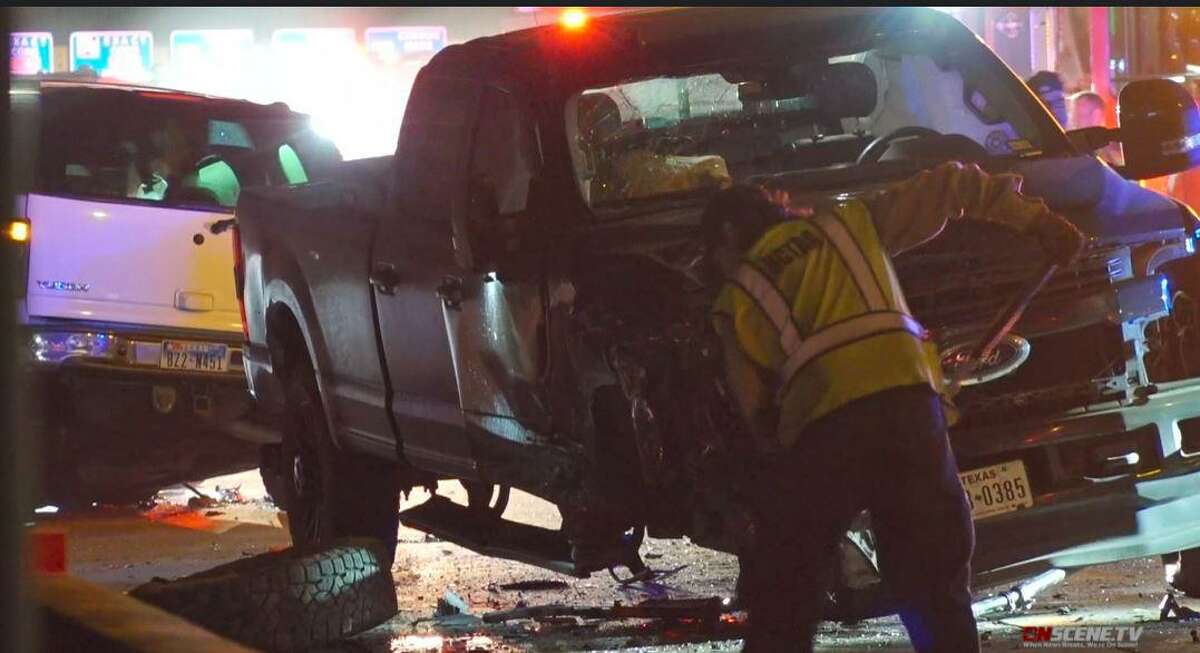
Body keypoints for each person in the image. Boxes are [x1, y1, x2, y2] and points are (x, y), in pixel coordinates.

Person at [703, 161, 1086, 652]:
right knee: (932, 579)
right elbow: (953, 184)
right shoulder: (850, 223)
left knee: (787, 583)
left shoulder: (735, 296)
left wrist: (775, 467)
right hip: (912, 412)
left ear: (729, 235)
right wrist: (1038, 222)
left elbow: (754, 406)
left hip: (826, 431)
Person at [1069, 91, 1122, 165]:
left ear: (1096, 116)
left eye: (1079, 116)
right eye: (1073, 116)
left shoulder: (1115, 154)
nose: (1073, 121)